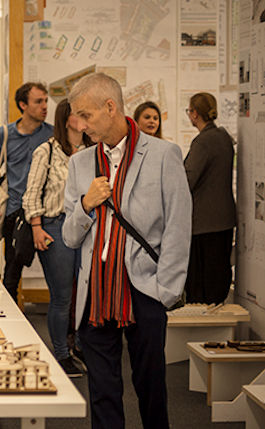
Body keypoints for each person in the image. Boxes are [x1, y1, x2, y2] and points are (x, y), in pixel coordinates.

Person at [63, 73, 191, 429]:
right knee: (102, 391)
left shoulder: (164, 155)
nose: (80, 124)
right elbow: (70, 237)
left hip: (145, 289)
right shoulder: (80, 163)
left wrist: (166, 290)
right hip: (96, 291)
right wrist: (85, 205)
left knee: (150, 388)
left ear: (110, 107)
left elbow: (179, 227)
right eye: (77, 116)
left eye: (86, 116)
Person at [22, 99, 92, 378]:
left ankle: (80, 347)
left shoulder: (91, 151)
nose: (85, 118)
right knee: (62, 296)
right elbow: (31, 193)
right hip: (54, 226)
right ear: (66, 118)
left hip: (86, 227)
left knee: (85, 293)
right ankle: (61, 354)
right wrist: (37, 227)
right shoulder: (47, 151)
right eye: (79, 113)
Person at [0, 82, 54, 301]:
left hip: (45, 214)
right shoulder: (4, 134)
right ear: (23, 105)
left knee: (56, 276)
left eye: (45, 101)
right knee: (11, 276)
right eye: (38, 101)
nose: (44, 106)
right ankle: (10, 325)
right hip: (14, 213)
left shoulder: (52, 134)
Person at [184, 92, 236, 304]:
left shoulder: (202, 142)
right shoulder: (224, 137)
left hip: (204, 224)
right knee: (220, 277)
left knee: (200, 287)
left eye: (189, 111)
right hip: (224, 220)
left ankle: (203, 333)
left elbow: (187, 179)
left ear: (195, 114)